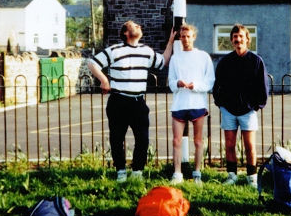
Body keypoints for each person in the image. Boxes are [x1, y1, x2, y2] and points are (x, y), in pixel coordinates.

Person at [88, 20, 175, 182]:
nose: (140, 27)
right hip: (118, 102)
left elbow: (163, 61)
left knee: (142, 139)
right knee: (117, 138)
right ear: (125, 33)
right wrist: (104, 80)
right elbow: (92, 63)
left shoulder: (146, 51)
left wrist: (170, 42)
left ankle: (137, 173)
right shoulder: (114, 50)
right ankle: (121, 172)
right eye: (135, 26)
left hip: (138, 103)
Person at [213, 24, 268, 188]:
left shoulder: (256, 61)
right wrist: (220, 103)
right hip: (228, 110)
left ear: (247, 39)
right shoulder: (225, 62)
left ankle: (252, 177)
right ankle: (232, 176)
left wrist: (256, 105)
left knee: (250, 146)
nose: (238, 40)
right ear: (231, 40)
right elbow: (218, 86)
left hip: (248, 111)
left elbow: (263, 87)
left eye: (241, 37)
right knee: (229, 145)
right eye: (235, 37)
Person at [167, 24, 214, 185]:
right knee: (176, 141)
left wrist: (196, 86)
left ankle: (197, 173)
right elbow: (171, 81)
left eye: (188, 36)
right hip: (179, 104)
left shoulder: (203, 56)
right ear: (179, 38)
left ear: (194, 37)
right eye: (183, 36)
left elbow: (209, 81)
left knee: (198, 141)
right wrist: (178, 83)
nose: (185, 39)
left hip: (197, 104)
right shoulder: (175, 58)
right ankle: (177, 173)